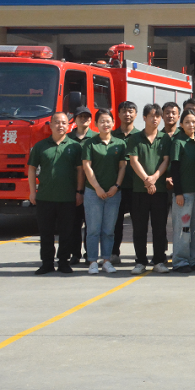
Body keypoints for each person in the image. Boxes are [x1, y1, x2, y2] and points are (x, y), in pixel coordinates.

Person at [27, 111, 84, 275]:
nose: (60, 125)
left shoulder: (74, 146)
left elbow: (80, 171)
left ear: (68, 126)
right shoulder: (40, 146)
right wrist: (32, 191)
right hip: (45, 197)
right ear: (50, 125)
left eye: (64, 123)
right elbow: (32, 169)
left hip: (67, 197)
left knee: (66, 233)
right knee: (46, 233)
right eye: (57, 122)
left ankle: (64, 262)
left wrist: (79, 192)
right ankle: (47, 263)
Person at [127, 103, 172, 274]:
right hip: (140, 190)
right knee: (140, 228)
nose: (155, 119)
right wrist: (146, 179)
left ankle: (159, 260)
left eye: (158, 116)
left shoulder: (165, 139)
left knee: (159, 228)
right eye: (152, 116)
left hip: (160, 190)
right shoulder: (135, 138)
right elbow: (133, 161)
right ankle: (140, 261)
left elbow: (166, 160)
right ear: (144, 118)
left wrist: (154, 178)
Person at [81, 109, 126, 275]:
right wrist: (97, 187)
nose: (105, 124)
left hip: (113, 193)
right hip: (93, 193)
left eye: (108, 121)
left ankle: (107, 260)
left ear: (113, 123)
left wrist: (116, 186)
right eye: (102, 121)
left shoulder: (120, 144)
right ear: (96, 124)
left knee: (109, 229)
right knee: (93, 229)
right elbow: (87, 167)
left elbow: (122, 167)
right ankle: (93, 261)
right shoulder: (90, 143)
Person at [170, 110, 195, 273]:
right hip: (184, 194)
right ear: (181, 124)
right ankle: (180, 261)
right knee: (183, 229)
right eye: (187, 122)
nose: (191, 125)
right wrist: (178, 192)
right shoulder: (178, 142)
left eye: (194, 122)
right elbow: (175, 169)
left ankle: (193, 259)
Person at [66, 106, 96, 264]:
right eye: (80, 116)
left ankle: (90, 254)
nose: (84, 119)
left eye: (87, 116)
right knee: (74, 223)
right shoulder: (67, 138)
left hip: (92, 187)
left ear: (91, 119)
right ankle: (75, 254)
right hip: (72, 188)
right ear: (75, 119)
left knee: (91, 224)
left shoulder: (96, 137)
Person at [110, 100, 138, 265]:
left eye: (130, 111)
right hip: (116, 187)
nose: (127, 114)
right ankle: (114, 253)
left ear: (136, 114)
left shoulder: (140, 136)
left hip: (136, 187)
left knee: (138, 223)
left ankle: (140, 255)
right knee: (115, 223)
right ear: (119, 114)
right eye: (124, 111)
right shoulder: (111, 136)